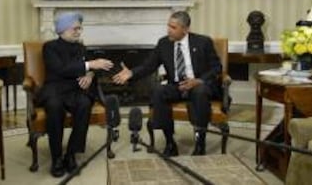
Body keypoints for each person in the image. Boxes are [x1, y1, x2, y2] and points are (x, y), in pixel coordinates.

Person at [113, 11, 222, 156]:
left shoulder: (203, 42)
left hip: (197, 84)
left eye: (173, 27)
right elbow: (148, 66)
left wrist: (198, 81)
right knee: (159, 91)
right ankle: (170, 142)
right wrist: (131, 73)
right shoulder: (163, 43)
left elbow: (217, 67)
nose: (168, 30)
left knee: (200, 91)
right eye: (168, 26)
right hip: (177, 85)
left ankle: (200, 143)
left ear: (185, 29)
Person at [39, 12, 114, 177]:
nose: (79, 32)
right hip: (55, 90)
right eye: (75, 28)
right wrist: (89, 65)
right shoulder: (49, 47)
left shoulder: (81, 47)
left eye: (80, 28)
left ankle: (71, 154)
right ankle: (56, 158)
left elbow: (90, 69)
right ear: (63, 29)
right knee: (54, 106)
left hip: (74, 90)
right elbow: (61, 69)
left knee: (85, 103)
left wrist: (90, 74)